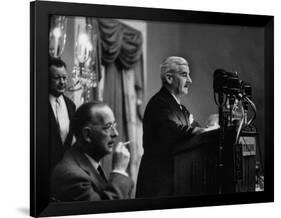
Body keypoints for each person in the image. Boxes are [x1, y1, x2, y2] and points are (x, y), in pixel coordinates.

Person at [136, 56, 204, 198]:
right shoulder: (158, 103)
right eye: (185, 75)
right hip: (158, 184)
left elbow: (195, 127)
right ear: (169, 78)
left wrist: (209, 128)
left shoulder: (181, 109)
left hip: (176, 180)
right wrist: (202, 131)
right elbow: (174, 131)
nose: (190, 80)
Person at [50, 102, 134, 201]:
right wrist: (119, 170)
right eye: (107, 127)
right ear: (87, 135)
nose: (115, 133)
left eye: (114, 126)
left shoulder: (87, 160)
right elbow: (105, 212)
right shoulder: (72, 176)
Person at [49, 57, 76, 170]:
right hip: (44, 167)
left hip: (65, 168)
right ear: (48, 78)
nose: (62, 82)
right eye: (57, 78)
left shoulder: (71, 105)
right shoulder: (38, 104)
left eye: (64, 78)